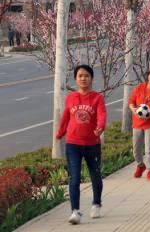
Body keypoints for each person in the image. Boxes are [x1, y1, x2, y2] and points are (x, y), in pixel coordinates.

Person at [56, 64, 106, 225]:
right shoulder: (70, 98)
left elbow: (102, 115)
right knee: (75, 177)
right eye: (80, 76)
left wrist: (100, 128)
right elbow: (66, 117)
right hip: (73, 144)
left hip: (92, 144)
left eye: (86, 75)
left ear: (91, 78)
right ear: (76, 79)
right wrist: (60, 132)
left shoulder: (97, 98)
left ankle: (96, 203)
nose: (83, 78)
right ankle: (75, 211)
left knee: (95, 175)